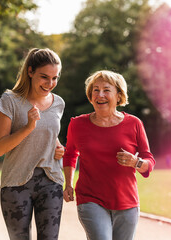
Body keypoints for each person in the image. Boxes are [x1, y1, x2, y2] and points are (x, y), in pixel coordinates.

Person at [63, 70, 155, 240]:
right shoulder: (78, 124)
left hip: (127, 201)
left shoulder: (134, 124)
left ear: (119, 95)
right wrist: (68, 184)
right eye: (95, 90)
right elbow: (70, 155)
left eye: (106, 90)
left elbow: (149, 162)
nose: (100, 95)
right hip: (90, 199)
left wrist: (136, 162)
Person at [0, 48, 65, 240]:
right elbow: (0, 148)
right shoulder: (10, 101)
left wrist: (59, 148)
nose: (50, 84)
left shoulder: (58, 103)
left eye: (55, 78)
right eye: (44, 77)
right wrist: (28, 127)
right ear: (30, 71)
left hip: (51, 180)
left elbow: (51, 134)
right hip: (16, 183)